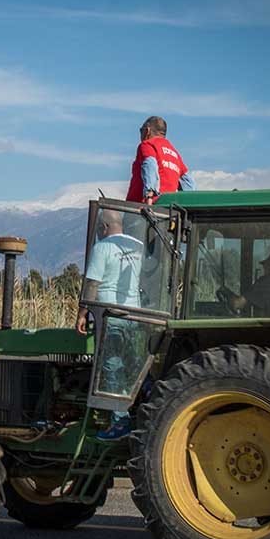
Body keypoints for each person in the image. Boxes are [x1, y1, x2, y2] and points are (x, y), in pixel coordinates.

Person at [75, 210, 144, 441]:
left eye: (98, 229)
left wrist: (82, 313)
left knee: (111, 367)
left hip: (109, 315)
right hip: (134, 315)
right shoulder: (137, 246)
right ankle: (144, 399)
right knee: (132, 363)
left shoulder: (102, 247)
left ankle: (119, 421)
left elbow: (92, 283)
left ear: (103, 227)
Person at [125, 116, 195, 205]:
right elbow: (189, 183)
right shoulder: (175, 154)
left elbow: (150, 165)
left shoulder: (147, 144)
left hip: (140, 209)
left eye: (141, 131)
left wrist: (149, 196)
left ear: (147, 130)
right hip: (167, 210)